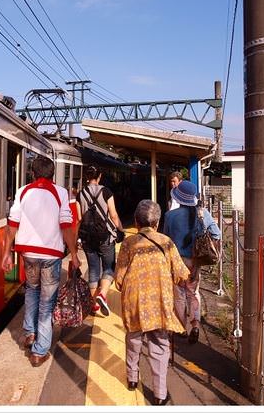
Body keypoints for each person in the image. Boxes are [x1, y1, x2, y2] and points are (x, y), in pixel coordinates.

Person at [1, 156, 80, 367]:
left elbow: (13, 223)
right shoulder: (61, 192)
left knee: (31, 290)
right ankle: (39, 351)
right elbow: (66, 225)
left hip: (27, 253)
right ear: (52, 174)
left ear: (32, 173)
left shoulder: (23, 191)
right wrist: (73, 253)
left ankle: (29, 333)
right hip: (51, 255)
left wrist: (7, 252)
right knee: (47, 301)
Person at [115, 200, 190, 405]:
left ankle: (132, 378)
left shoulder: (129, 244)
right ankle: (159, 394)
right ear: (156, 223)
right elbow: (182, 273)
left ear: (137, 223)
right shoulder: (166, 242)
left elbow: (119, 279)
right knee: (159, 344)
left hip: (135, 300)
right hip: (159, 301)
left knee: (134, 338)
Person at [163, 180, 221, 344]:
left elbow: (165, 240)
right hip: (195, 261)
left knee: (179, 295)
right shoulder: (203, 213)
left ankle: (181, 328)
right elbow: (216, 234)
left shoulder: (169, 216)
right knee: (192, 292)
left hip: (176, 261)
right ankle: (195, 325)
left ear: (178, 198)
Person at [76, 165, 124, 317]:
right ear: (100, 176)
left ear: (86, 177)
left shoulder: (80, 194)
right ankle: (102, 294)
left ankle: (94, 305)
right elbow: (114, 215)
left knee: (93, 270)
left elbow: (79, 218)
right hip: (105, 237)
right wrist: (121, 231)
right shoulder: (106, 192)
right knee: (109, 267)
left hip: (88, 238)